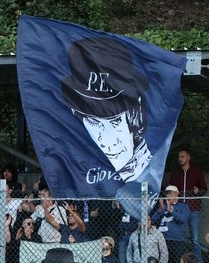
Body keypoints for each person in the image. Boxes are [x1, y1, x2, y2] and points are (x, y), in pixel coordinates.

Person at [61, 37, 152, 183]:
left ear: (135, 116)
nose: (105, 139)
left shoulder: (149, 171)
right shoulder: (80, 167)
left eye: (115, 121)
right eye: (93, 121)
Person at [167, 149, 207, 261]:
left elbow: (204, 189)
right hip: (179, 208)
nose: (180, 159)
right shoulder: (175, 173)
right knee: (178, 237)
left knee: (195, 238)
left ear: (188, 157)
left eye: (182, 156)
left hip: (193, 208)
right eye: (179, 157)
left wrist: (198, 191)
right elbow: (170, 189)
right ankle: (180, 262)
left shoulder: (196, 171)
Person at [151, 185, 190, 263]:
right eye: (167, 194)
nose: (168, 196)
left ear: (177, 194)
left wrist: (171, 211)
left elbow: (183, 219)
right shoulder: (163, 206)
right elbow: (152, 220)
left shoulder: (183, 206)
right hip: (163, 240)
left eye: (171, 193)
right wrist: (161, 211)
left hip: (177, 240)